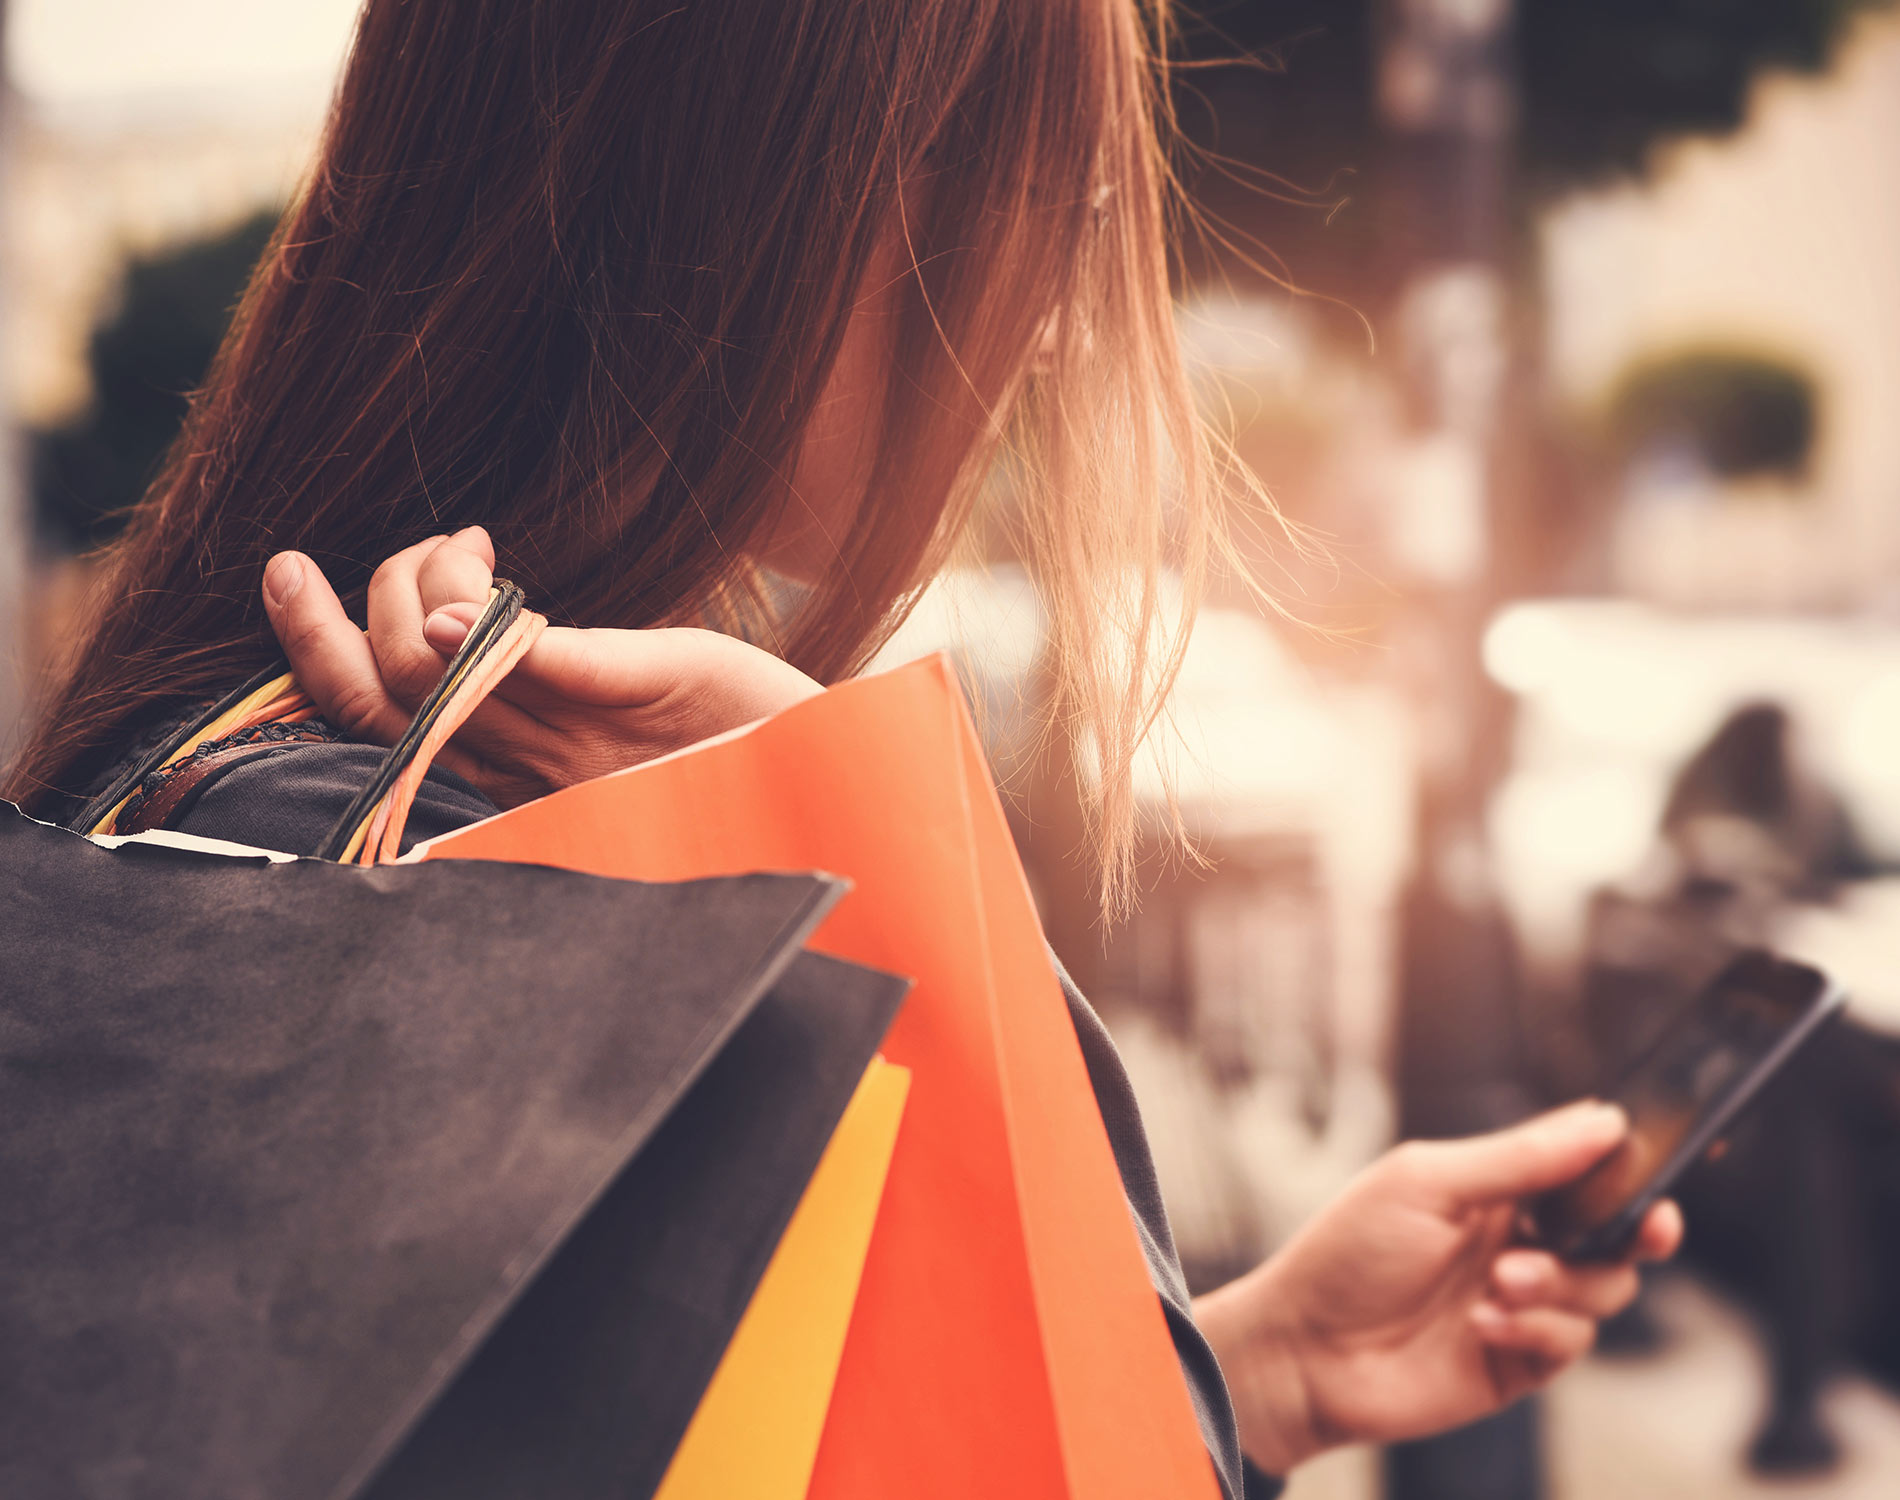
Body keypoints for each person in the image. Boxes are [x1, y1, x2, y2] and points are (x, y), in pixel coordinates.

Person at [6, 2, 1679, 1494]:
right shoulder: (464, 915)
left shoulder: (209, 822)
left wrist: (1255, 1369)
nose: (1052, 309)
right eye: (1054, 194)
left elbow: (750, 1436)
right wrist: (868, 854)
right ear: (772, 197)